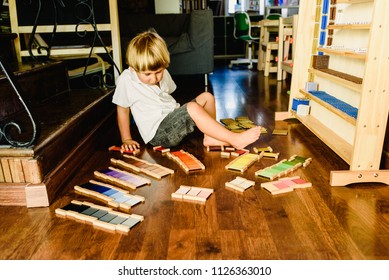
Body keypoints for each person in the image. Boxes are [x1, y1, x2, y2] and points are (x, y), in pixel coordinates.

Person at [112, 30, 261, 152]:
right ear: (133, 68)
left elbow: (166, 97)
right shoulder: (127, 79)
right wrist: (126, 139)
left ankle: (209, 136)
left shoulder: (162, 74)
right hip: (159, 134)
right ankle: (234, 139)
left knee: (207, 97)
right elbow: (123, 110)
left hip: (171, 119)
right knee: (192, 108)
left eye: (158, 71)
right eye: (147, 74)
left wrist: (180, 115)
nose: (154, 78)